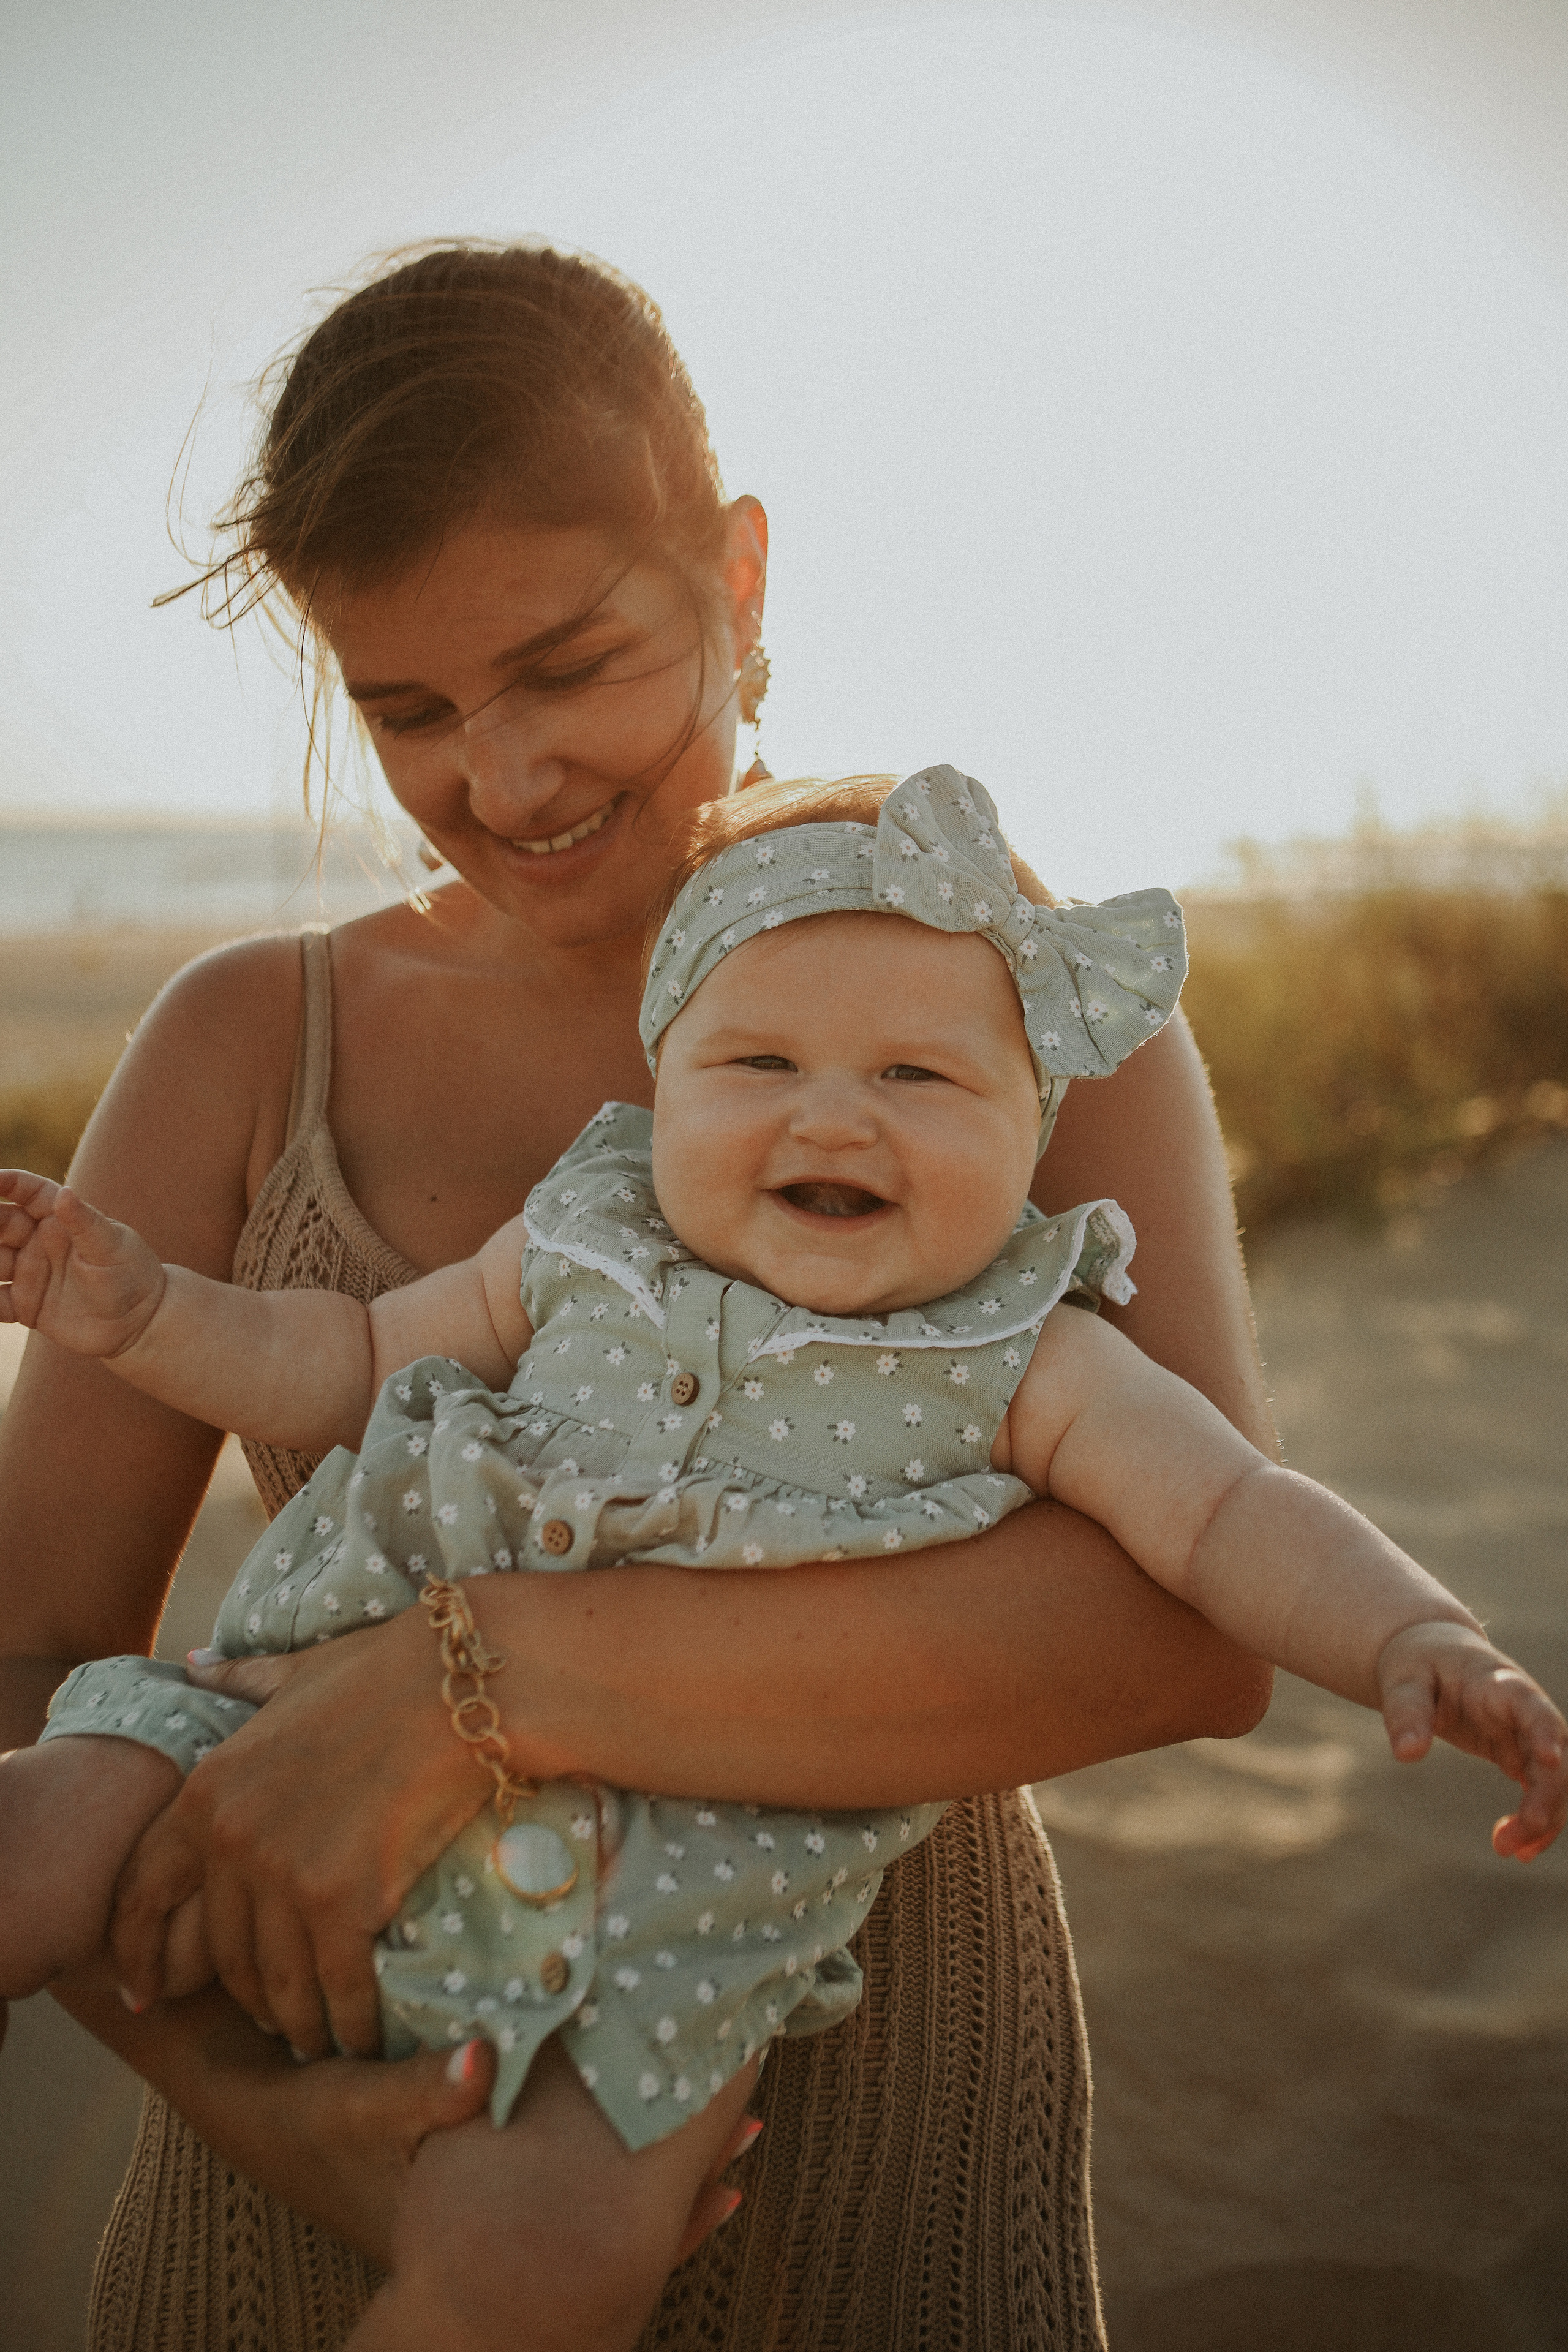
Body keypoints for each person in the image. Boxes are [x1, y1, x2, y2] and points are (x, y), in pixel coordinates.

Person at [0, 245, 1283, 2352]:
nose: (504, 781)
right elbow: (33, 1650)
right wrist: (282, 2124)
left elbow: (1195, 1625)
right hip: (307, 2154)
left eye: (571, 664)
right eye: (408, 712)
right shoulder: (246, 1046)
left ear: (738, 575)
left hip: (868, 2150)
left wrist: (476, 1683)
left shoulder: (1002, 992)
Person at [6, 767, 1564, 2352]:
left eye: (919, 1076)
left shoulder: (1026, 1353)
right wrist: (146, 1313)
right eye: (758, 1064)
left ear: (1033, 1132)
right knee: (36, 1831)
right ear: (663, 1090)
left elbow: (1230, 1517)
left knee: (542, 2266)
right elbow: (340, 1359)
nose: (832, 1115)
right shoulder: (583, 1241)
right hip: (279, 1711)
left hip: (660, 1927)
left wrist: (1412, 1635)